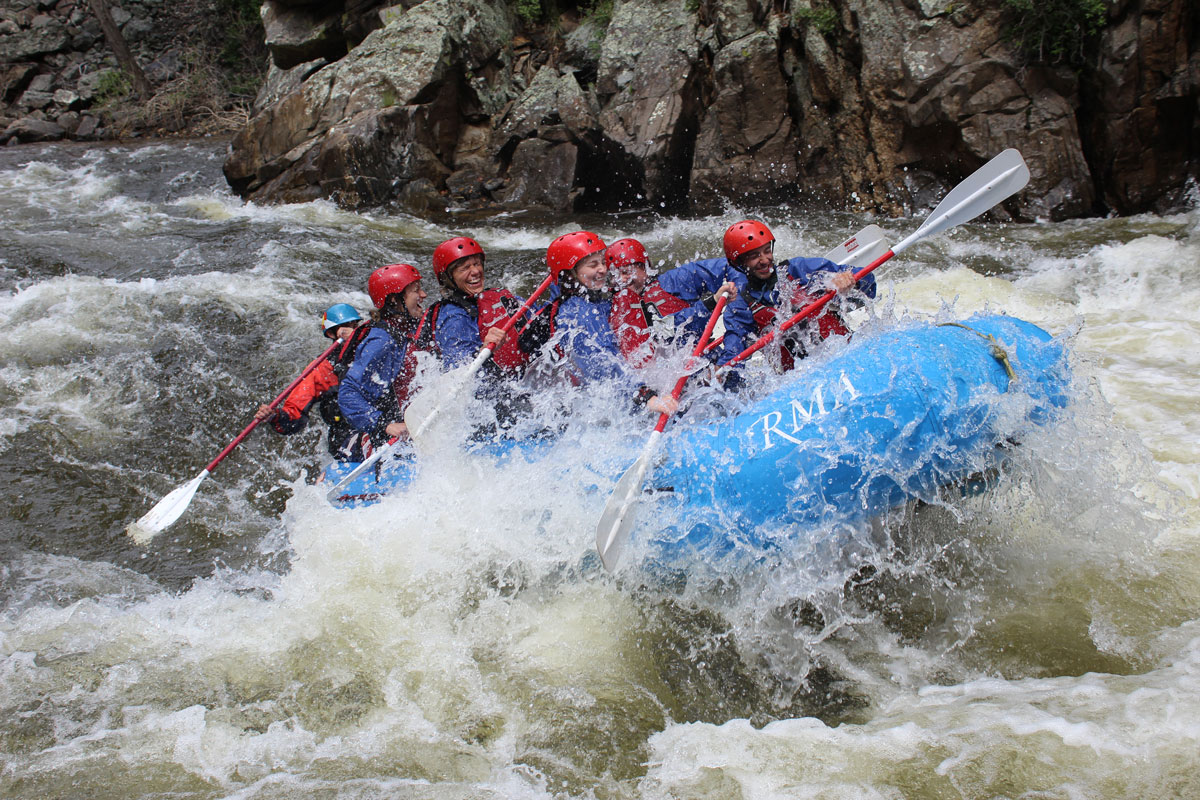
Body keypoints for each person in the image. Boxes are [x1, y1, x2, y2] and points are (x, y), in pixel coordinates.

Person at [532, 230, 682, 416]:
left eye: (603, 262)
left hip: (623, 389)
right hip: (604, 404)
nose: (603, 269)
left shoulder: (597, 302)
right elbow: (603, 365)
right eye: (593, 265)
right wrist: (647, 396)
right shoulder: (577, 314)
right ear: (571, 274)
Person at [719, 219, 876, 369]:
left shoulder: (798, 270)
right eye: (754, 256)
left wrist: (849, 279)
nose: (765, 260)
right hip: (800, 380)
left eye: (767, 251)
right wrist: (721, 370)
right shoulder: (740, 306)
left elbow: (869, 284)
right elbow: (734, 353)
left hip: (849, 354)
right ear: (738, 263)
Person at [422, 236, 538, 435]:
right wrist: (483, 348)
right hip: (481, 409)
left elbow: (538, 317)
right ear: (448, 278)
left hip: (515, 385)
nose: (475, 271)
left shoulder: (496, 297)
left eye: (476, 264)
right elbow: (458, 372)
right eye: (464, 268)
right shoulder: (453, 317)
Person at [254, 303, 371, 461]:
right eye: (344, 327)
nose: (351, 332)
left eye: (354, 326)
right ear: (331, 334)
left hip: (380, 425)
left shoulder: (374, 352)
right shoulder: (320, 370)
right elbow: (293, 416)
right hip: (346, 436)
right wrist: (274, 416)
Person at [337, 263, 430, 448]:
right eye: (416, 291)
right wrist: (385, 425)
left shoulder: (408, 327)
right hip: (389, 440)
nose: (423, 295)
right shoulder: (381, 341)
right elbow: (348, 393)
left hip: (420, 424)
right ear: (395, 300)